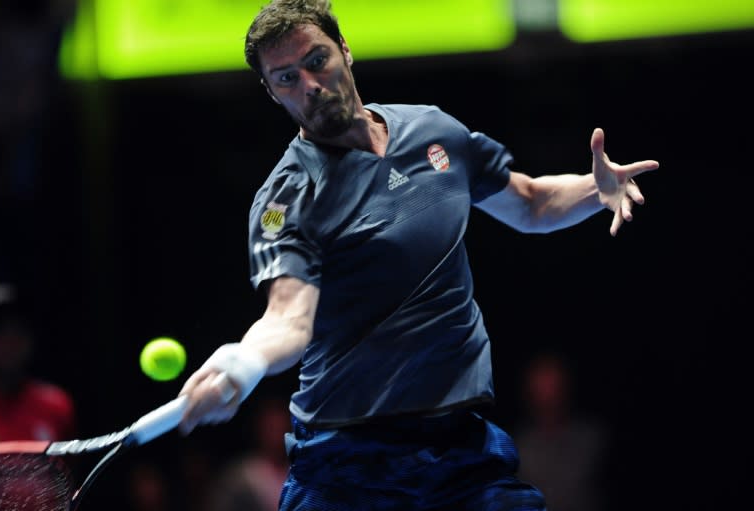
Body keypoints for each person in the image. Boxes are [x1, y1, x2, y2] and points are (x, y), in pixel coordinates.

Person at [175, 1, 659, 509]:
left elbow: (530, 202)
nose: (310, 85)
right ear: (272, 92)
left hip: (459, 452)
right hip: (347, 466)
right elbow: (288, 318)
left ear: (345, 50)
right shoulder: (286, 200)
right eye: (287, 78)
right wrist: (242, 364)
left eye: (317, 61)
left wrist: (593, 188)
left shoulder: (433, 131)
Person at [512, 351, 610, 511]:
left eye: (553, 384)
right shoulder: (518, 447)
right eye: (542, 384)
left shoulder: (592, 439)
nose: (549, 393)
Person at [0, 282, 77, 444]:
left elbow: (68, 468)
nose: (10, 342)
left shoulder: (57, 406)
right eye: (0, 331)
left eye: (19, 330)